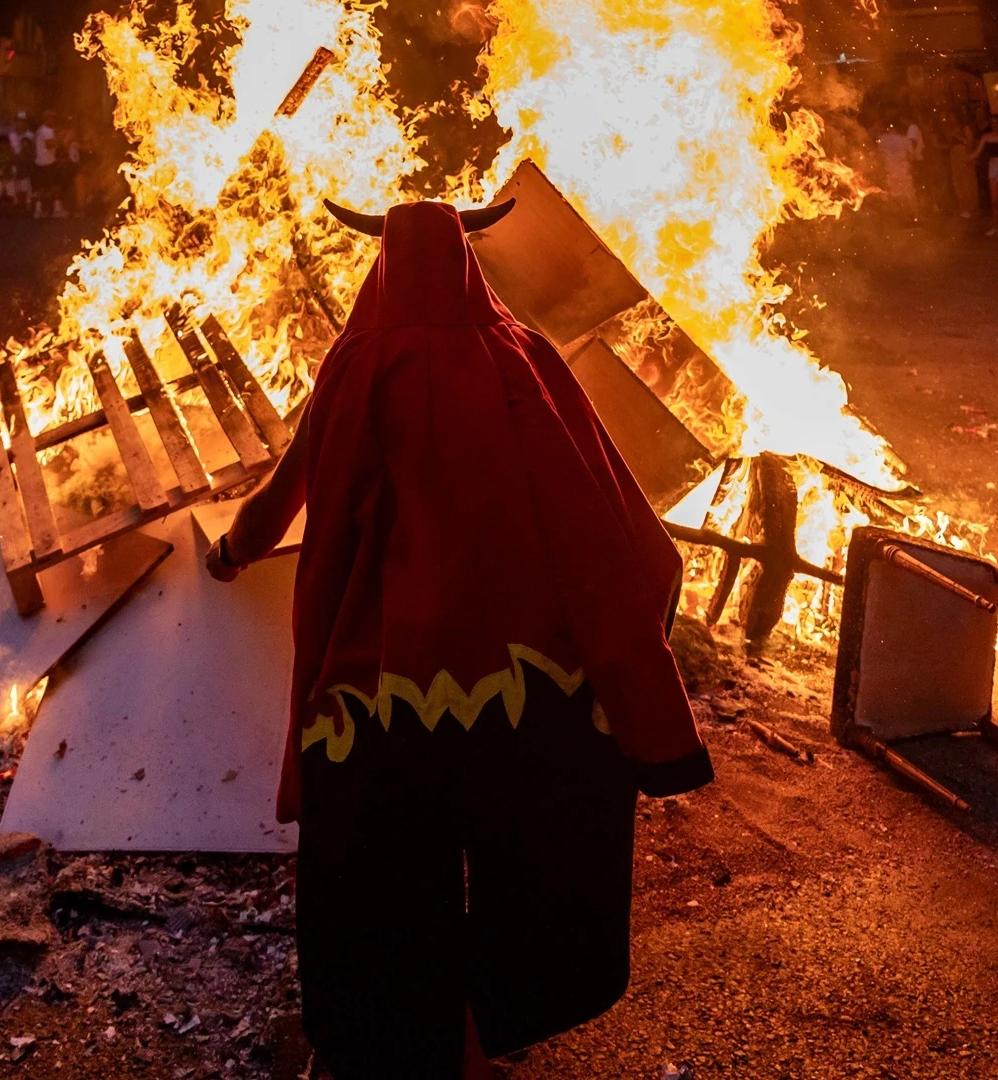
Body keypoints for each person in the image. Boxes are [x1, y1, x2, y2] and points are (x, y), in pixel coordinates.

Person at [206, 198, 711, 1080]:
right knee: (527, 860)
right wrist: (637, 617)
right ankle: (482, 1033)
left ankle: (394, 1040)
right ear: (468, 265)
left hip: (380, 683)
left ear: (384, 270)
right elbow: (594, 493)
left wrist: (229, 552)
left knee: (382, 875)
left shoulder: (355, 365)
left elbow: (287, 491)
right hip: (522, 680)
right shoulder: (526, 358)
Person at [874, 117, 918, 221]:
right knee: (908, 194)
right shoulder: (904, 139)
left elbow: (879, 155)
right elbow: (911, 156)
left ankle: (899, 218)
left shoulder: (882, 139)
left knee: (894, 195)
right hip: (904, 169)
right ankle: (913, 217)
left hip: (891, 170)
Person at [33, 110, 70, 218]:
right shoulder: (46, 130)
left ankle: (40, 210)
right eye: (51, 118)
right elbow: (50, 145)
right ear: (46, 119)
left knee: (43, 187)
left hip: (42, 162)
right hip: (47, 163)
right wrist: (61, 138)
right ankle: (56, 210)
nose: (53, 120)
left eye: (54, 118)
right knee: (55, 186)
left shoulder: (41, 130)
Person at [947, 119, 979, 219]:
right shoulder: (950, 129)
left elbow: (969, 142)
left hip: (964, 155)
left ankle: (970, 208)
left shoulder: (965, 128)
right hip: (954, 157)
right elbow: (949, 145)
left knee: (967, 182)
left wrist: (970, 157)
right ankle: (962, 208)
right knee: (958, 182)